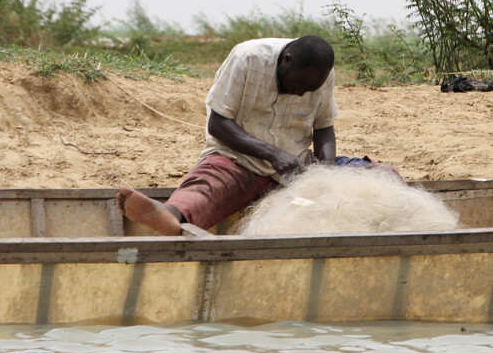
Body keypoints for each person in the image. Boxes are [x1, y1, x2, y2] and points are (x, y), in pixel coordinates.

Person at [116, 35, 340, 236]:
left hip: (295, 168)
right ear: (286, 60)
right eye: (298, 85)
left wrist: (325, 174)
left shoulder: (324, 76)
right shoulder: (247, 59)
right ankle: (169, 213)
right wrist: (273, 155)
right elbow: (218, 123)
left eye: (309, 90)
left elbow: (324, 127)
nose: (301, 93)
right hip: (239, 160)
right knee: (209, 184)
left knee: (364, 174)